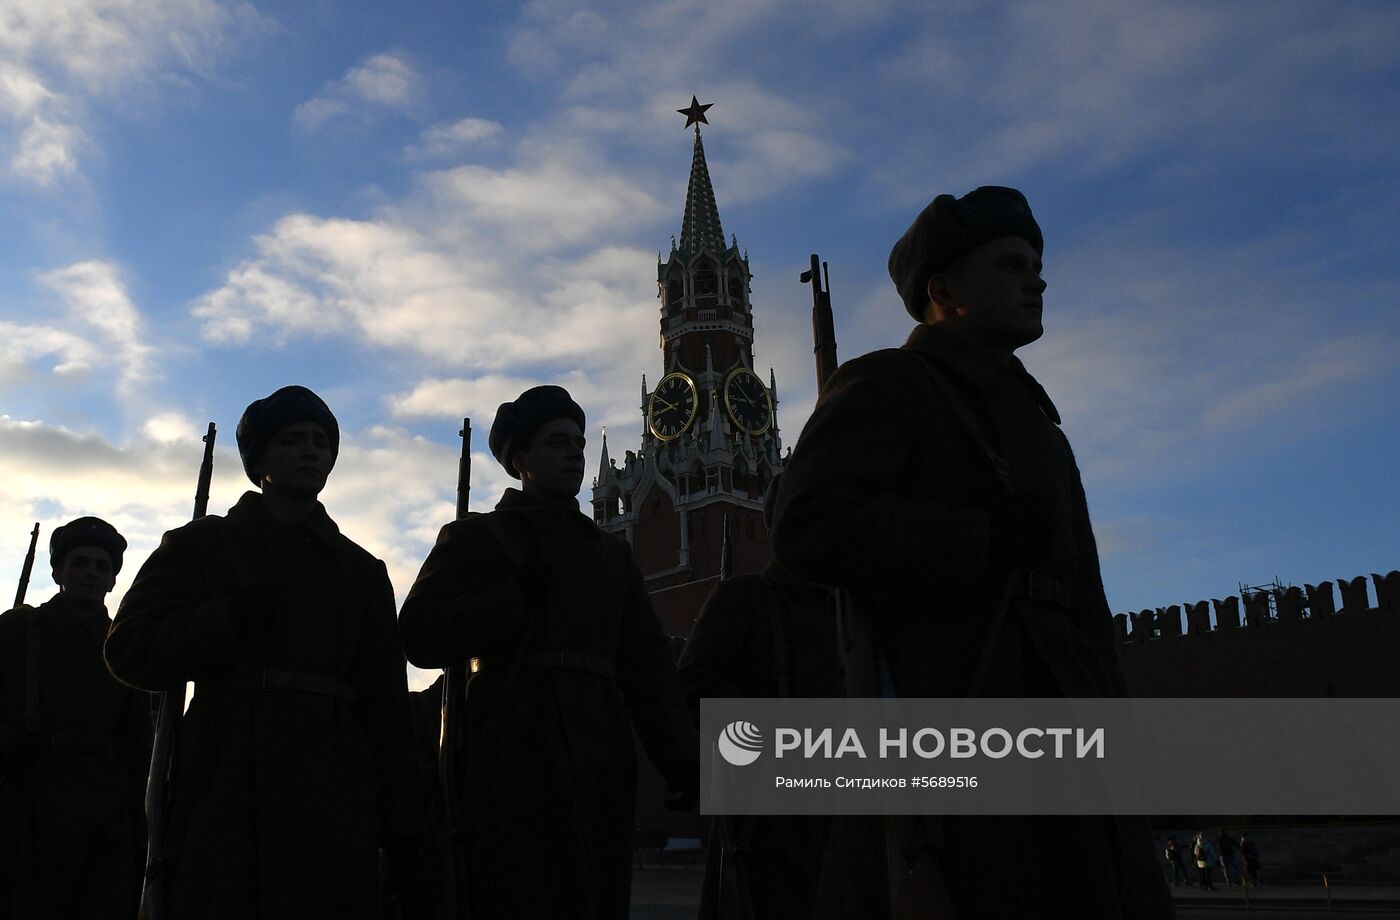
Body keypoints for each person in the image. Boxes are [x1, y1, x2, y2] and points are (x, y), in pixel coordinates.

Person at [770, 186, 1174, 919]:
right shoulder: (889, 384)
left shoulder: (1041, 427)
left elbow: (1086, 602)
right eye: (1010, 265)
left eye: (1037, 266)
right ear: (944, 292)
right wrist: (977, 541)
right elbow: (806, 522)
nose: (1036, 281)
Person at [105, 385, 422, 919]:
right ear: (260, 459)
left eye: (320, 442)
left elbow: (386, 707)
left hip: (331, 785)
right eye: (292, 440)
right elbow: (129, 648)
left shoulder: (361, 571)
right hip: (225, 775)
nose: (310, 452)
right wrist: (224, 620)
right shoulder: (201, 546)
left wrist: (405, 829)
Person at [399, 385, 698, 920]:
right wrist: (508, 604)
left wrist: (679, 758)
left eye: (579, 444)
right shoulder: (479, 538)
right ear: (521, 460)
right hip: (509, 748)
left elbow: (648, 671)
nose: (574, 454)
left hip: (598, 755)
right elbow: (418, 633)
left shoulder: (610, 557)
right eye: (557, 443)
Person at [676, 474, 844, 920]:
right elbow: (693, 689)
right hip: (769, 834)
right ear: (778, 525)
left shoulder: (850, 615)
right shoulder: (745, 599)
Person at [0, 517, 150, 919]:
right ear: (58, 573)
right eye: (80, 563)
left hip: (105, 812)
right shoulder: (17, 630)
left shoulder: (126, 645)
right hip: (27, 806)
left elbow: (139, 745)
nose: (91, 573)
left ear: (113, 581)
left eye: (102, 567)